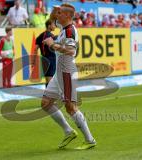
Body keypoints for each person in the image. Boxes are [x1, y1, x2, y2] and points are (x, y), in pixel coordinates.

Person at [42, 4, 96, 150]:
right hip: (59, 72)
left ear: (66, 16)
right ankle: (68, 131)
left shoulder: (70, 31)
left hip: (66, 71)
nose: (57, 15)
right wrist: (55, 9)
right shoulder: (63, 26)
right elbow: (52, 19)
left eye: (60, 13)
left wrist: (53, 45)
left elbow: (71, 51)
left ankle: (90, 139)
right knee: (46, 103)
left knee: (70, 107)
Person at [33, 19, 56, 87]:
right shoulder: (52, 36)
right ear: (49, 26)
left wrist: (34, 59)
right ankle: (49, 95)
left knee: (48, 79)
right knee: (50, 79)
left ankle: (48, 95)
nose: (55, 26)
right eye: (53, 25)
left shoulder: (40, 36)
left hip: (44, 59)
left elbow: (35, 49)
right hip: (51, 59)